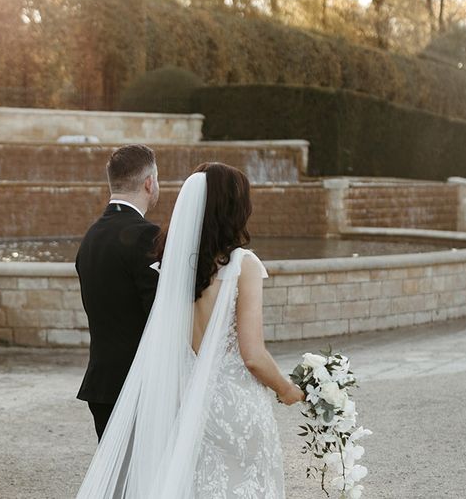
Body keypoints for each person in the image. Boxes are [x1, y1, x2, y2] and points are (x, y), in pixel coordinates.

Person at [76, 162, 303, 498]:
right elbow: (253, 355)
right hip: (234, 402)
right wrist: (288, 389)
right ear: (234, 207)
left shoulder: (176, 263)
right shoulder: (244, 265)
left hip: (189, 401)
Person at [75, 144, 161, 441]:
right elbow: (160, 314)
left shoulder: (91, 236)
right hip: (137, 387)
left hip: (102, 384)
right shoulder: (146, 235)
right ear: (149, 183)